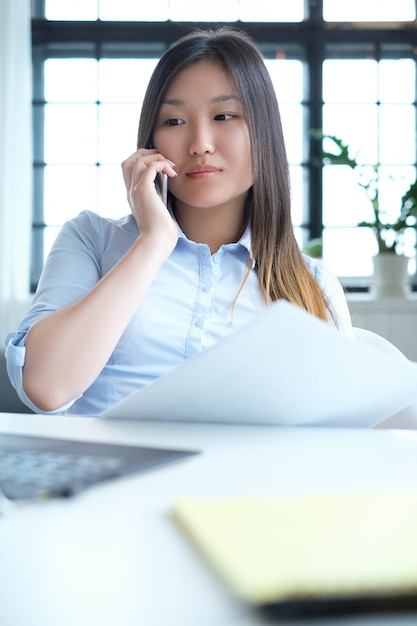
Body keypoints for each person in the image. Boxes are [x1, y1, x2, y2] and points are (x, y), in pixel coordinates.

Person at [5, 26, 353, 416]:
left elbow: (334, 425)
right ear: (150, 141)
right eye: (173, 122)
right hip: (108, 474)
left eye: (224, 115)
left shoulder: (311, 285)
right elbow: (45, 388)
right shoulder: (90, 240)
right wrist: (154, 241)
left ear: (264, 134)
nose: (200, 143)